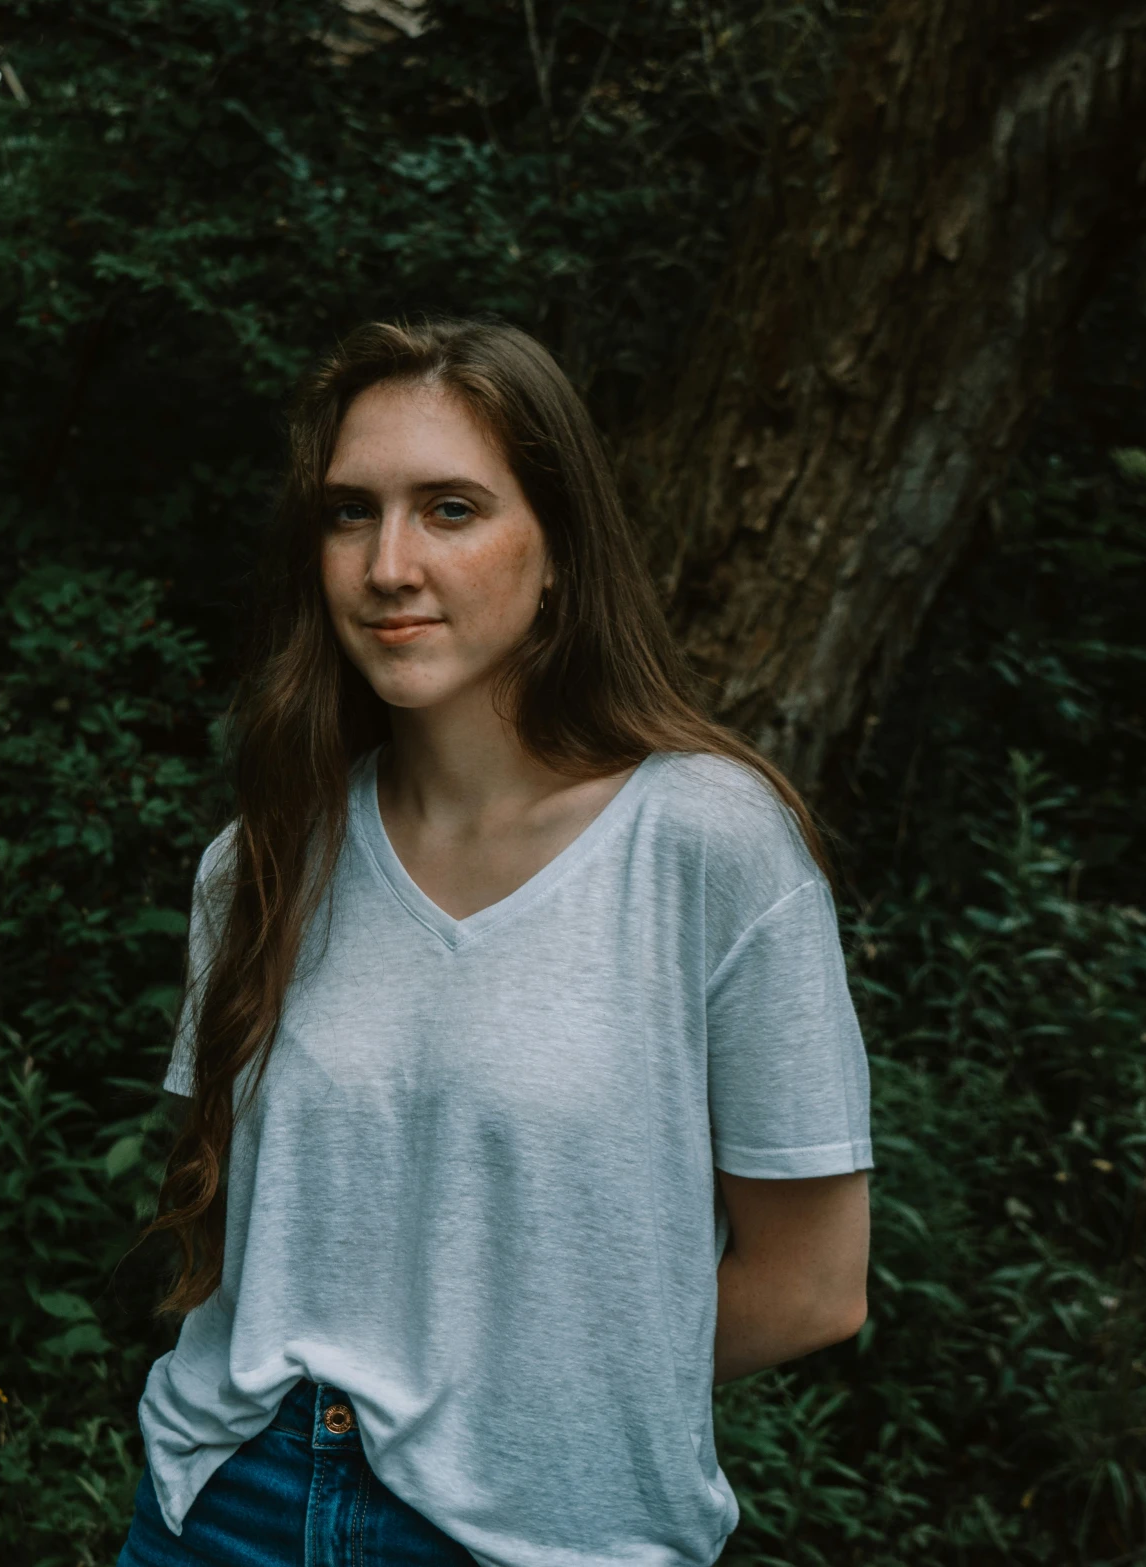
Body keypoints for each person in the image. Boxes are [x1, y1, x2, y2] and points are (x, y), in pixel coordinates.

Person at [118, 317, 873, 1567]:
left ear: (559, 551)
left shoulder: (706, 844)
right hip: (225, 1509)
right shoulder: (262, 858)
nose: (388, 564)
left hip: (537, 1535)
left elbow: (812, 1288)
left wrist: (535, 1400)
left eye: (452, 508)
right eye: (350, 513)